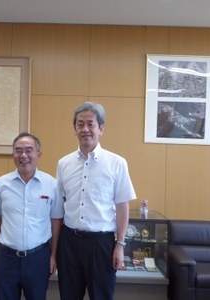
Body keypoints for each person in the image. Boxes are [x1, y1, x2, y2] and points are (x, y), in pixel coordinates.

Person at [56, 101, 137, 300]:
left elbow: (122, 206)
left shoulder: (117, 163)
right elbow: (58, 207)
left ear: (101, 128)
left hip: (101, 244)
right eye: (80, 124)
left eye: (90, 124)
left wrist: (120, 245)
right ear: (74, 129)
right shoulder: (63, 163)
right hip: (69, 242)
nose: (85, 129)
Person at [0, 132, 63, 300]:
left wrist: (53, 255)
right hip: (6, 259)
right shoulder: (0, 184)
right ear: (13, 154)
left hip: (38, 259)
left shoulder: (52, 185)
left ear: (38, 154)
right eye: (18, 150)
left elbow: (56, 221)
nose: (23, 155)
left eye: (29, 150)